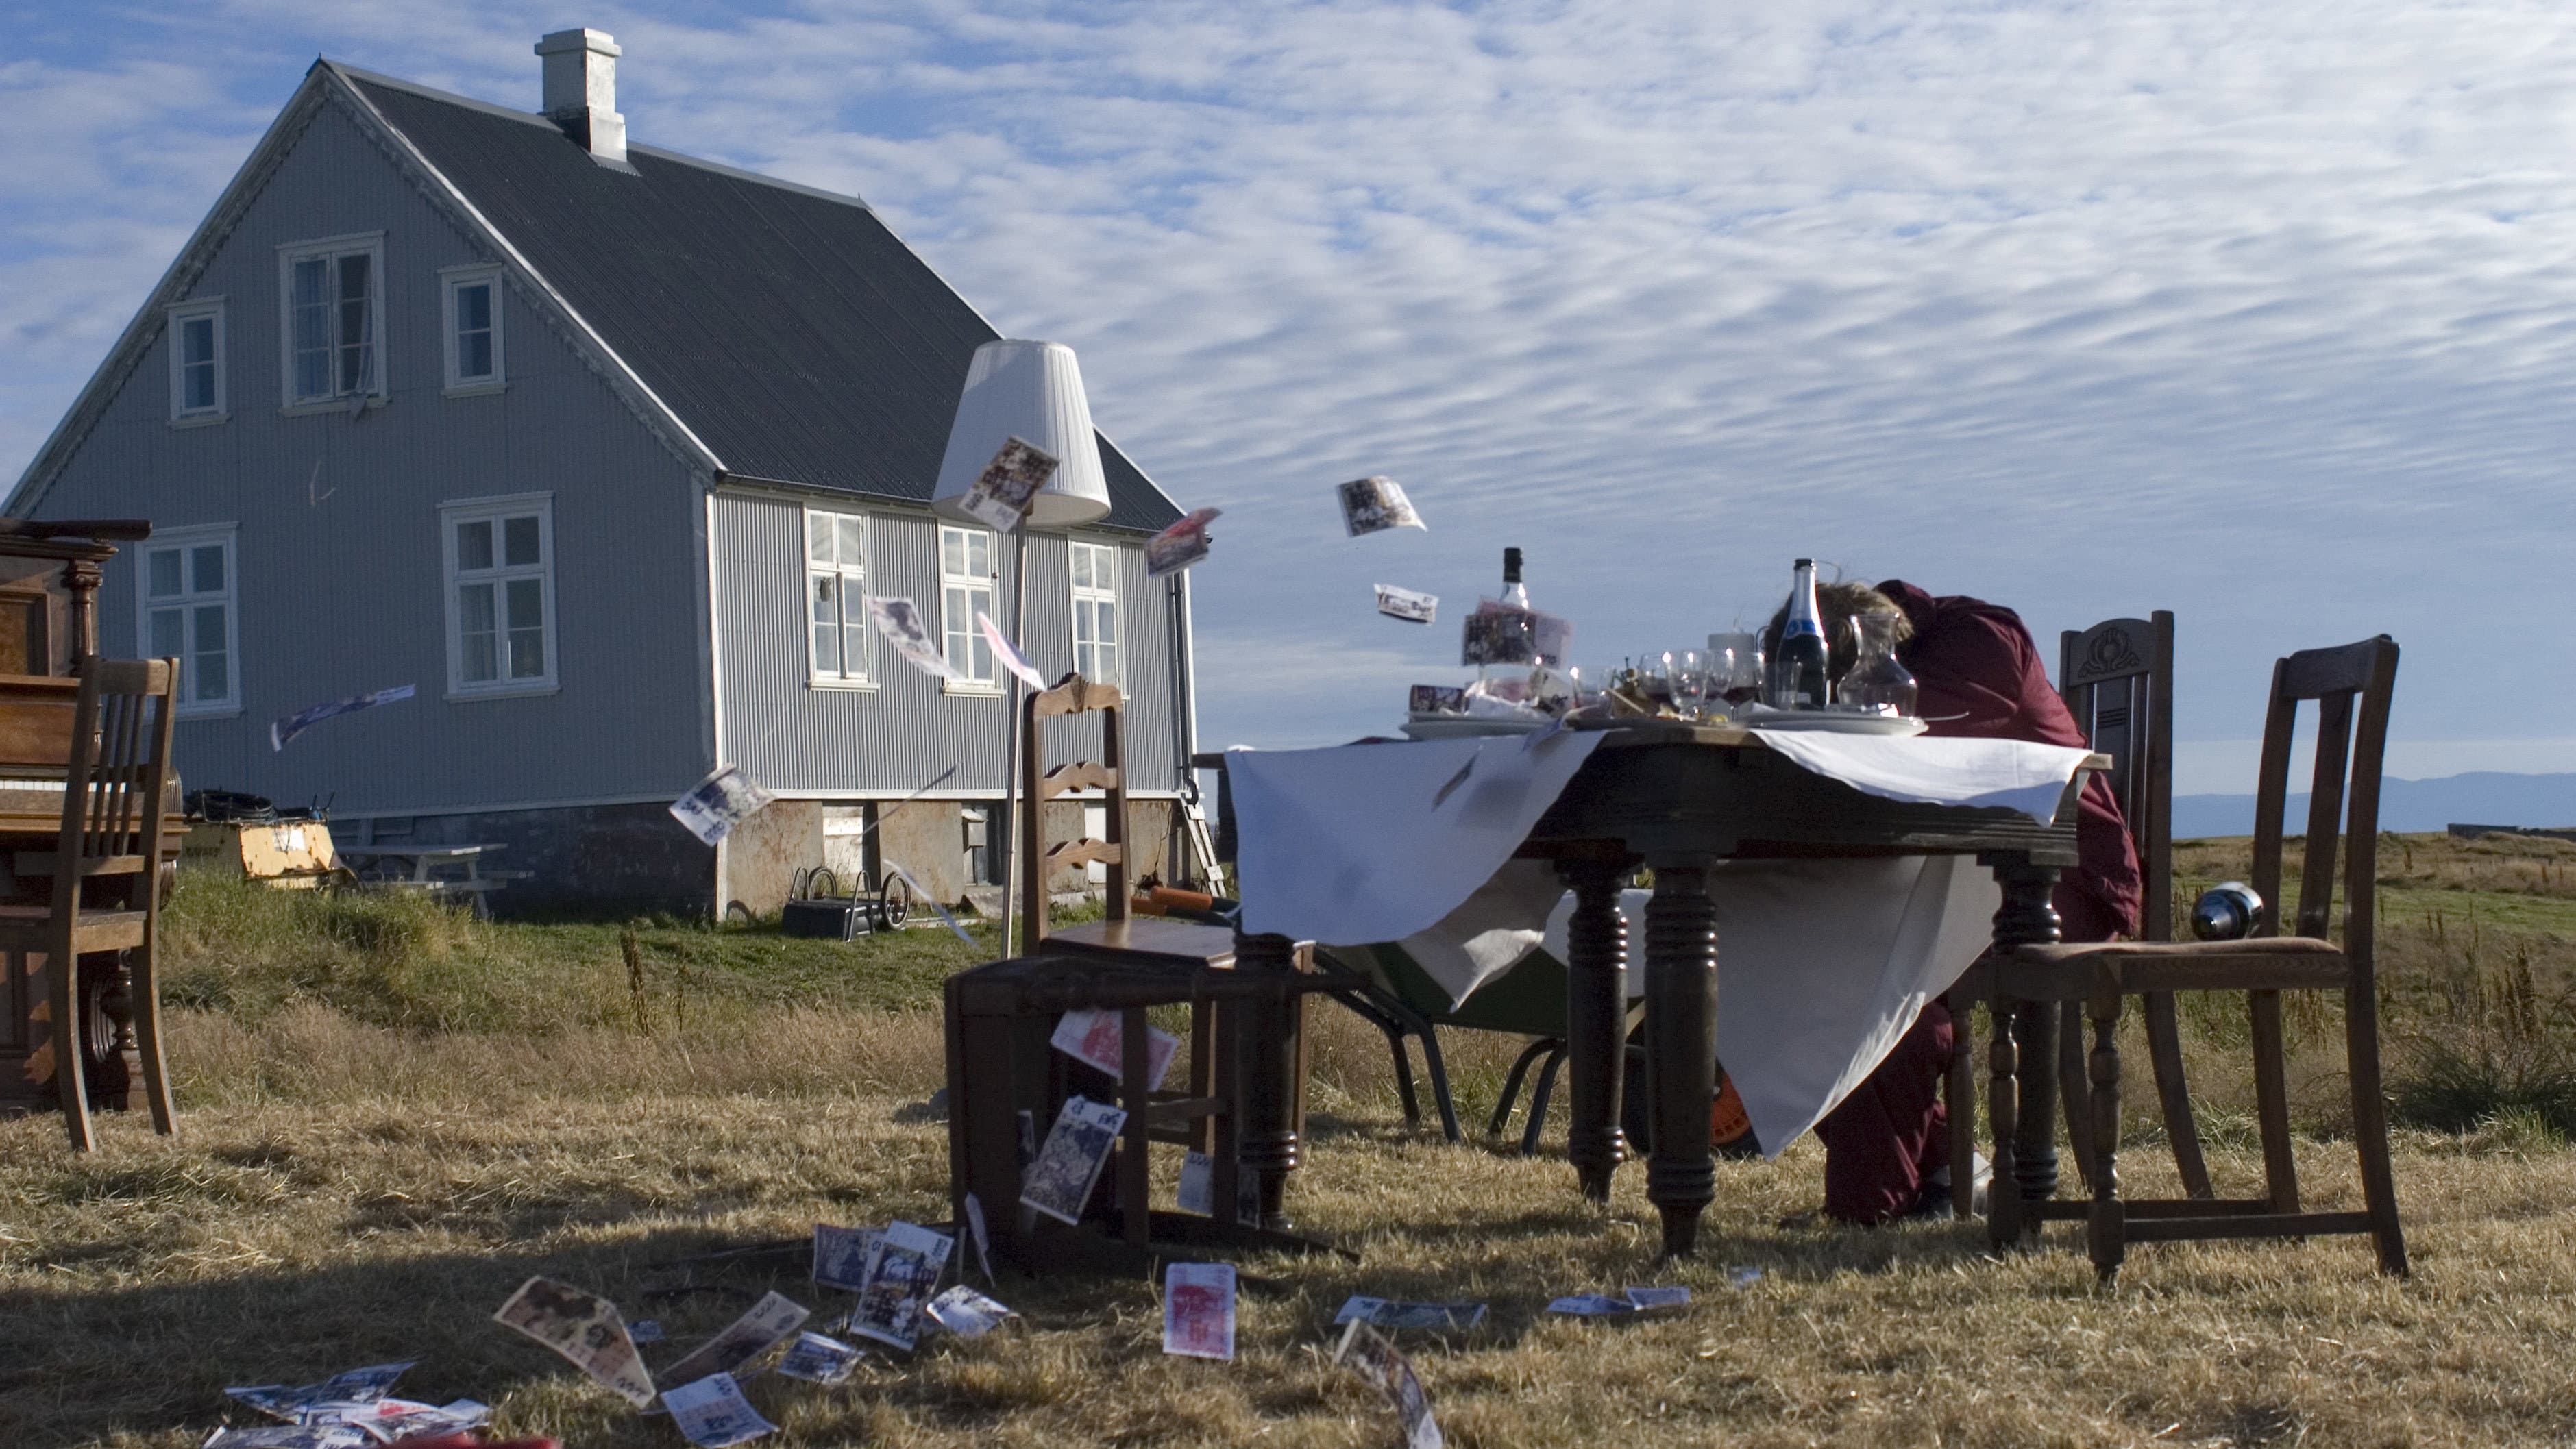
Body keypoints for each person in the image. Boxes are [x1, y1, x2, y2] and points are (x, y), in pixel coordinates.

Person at [1767, 579, 2141, 1224]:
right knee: (1788, 950)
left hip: (2063, 885)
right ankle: (1945, 1168)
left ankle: (1870, 1205)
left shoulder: (1981, 643)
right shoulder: (1921, 650)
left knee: (1870, 972)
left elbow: (1890, 756)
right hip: (1959, 877)